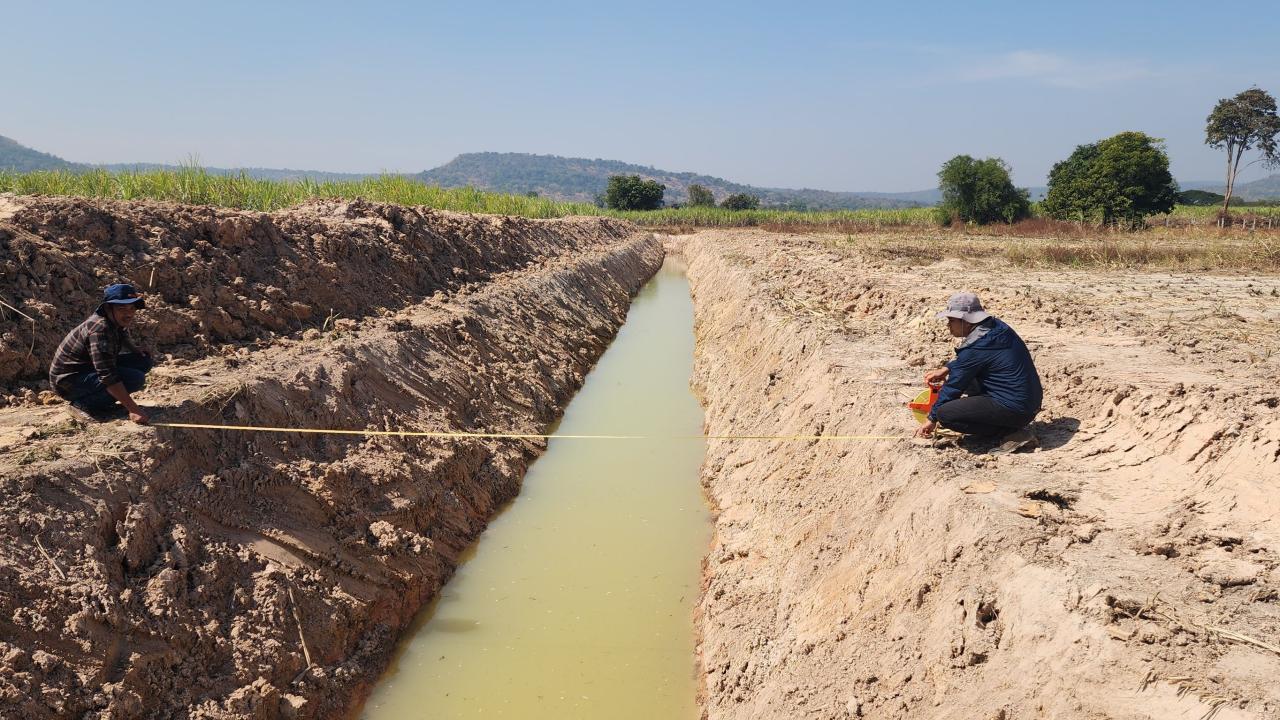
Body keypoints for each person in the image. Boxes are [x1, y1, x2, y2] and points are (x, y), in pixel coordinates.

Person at [915, 292, 1042, 452]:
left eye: (951, 320)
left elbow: (954, 386)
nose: (948, 325)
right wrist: (947, 368)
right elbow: (977, 359)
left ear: (966, 322)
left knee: (946, 414)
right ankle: (1002, 426)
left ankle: (1012, 432)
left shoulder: (976, 347)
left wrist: (932, 419)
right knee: (971, 380)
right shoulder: (997, 328)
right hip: (1028, 403)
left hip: (1015, 408)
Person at [49, 283, 154, 424]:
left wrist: (135, 349)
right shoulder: (100, 330)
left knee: (142, 360)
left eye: (132, 308)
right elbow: (107, 375)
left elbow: (122, 333)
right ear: (108, 308)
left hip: (87, 369)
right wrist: (133, 409)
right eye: (122, 308)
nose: (129, 313)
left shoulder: (112, 320)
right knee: (135, 379)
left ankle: (103, 402)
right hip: (68, 382)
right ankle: (83, 405)